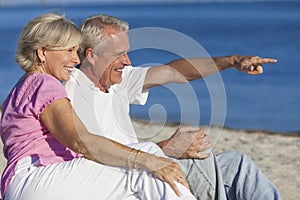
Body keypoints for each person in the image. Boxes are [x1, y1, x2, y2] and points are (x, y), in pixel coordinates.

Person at [65, 14, 283, 200]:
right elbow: (94, 159)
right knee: (210, 165)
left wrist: (232, 61)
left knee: (237, 165)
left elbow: (174, 72)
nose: (128, 61)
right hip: (130, 182)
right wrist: (166, 147)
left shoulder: (118, 81)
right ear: (91, 55)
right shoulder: (71, 93)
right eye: (118, 54)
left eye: (127, 52)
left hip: (149, 166)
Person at [0, 13, 199, 200]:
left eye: (75, 51)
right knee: (146, 160)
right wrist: (149, 160)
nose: (76, 59)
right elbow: (82, 142)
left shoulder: (20, 89)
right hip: (38, 178)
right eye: (69, 50)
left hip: (24, 184)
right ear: (42, 52)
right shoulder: (45, 84)